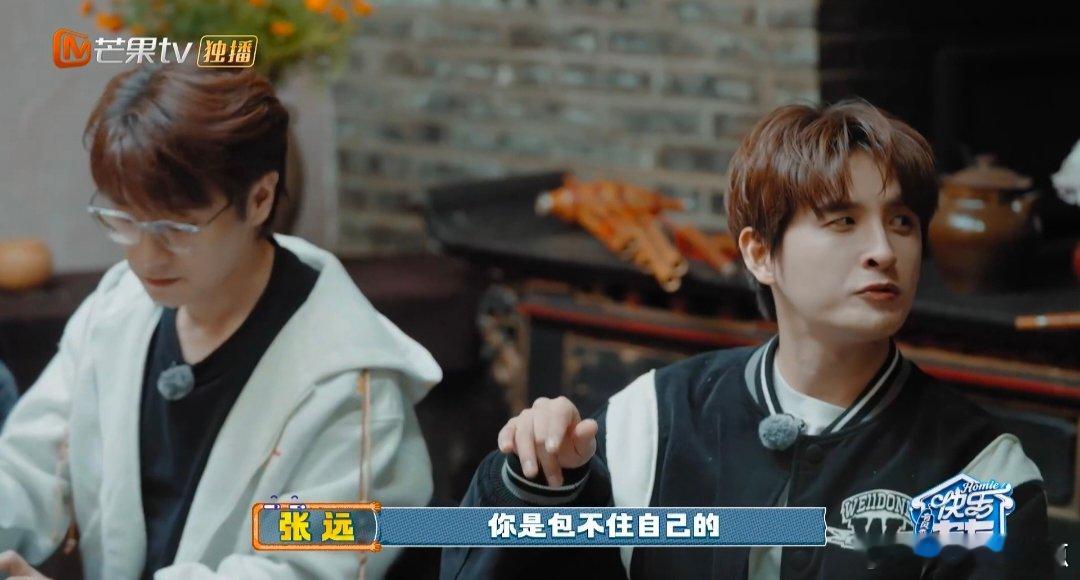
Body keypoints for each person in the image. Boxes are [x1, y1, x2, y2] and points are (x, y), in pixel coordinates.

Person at [441, 101, 1052, 579]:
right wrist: (537, 482)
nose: (883, 251)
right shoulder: (654, 420)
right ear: (760, 253)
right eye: (843, 221)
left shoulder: (978, 473)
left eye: (902, 222)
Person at [0, 63, 441, 579]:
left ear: (260, 198)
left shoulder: (348, 385)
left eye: (176, 228)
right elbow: (30, 467)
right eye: (123, 220)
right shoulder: (117, 310)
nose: (146, 256)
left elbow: (298, 571)